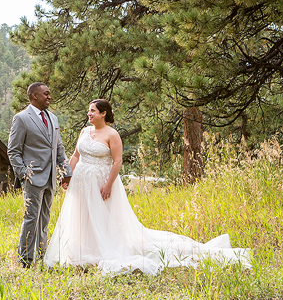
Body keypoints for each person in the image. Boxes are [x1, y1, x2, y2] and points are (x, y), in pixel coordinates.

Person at [43, 99, 251, 275]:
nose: (89, 114)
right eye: (89, 111)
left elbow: (117, 162)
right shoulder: (84, 132)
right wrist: (67, 176)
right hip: (80, 180)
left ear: (103, 113)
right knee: (81, 215)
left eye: (92, 111)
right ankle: (82, 249)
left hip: (101, 181)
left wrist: (108, 184)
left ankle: (103, 250)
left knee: (103, 216)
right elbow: (76, 156)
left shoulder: (112, 134)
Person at [8, 82, 73, 268]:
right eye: (46, 94)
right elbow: (13, 151)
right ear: (34, 96)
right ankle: (25, 261)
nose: (49, 97)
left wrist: (66, 171)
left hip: (51, 177)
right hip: (32, 178)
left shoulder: (53, 118)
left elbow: (58, 147)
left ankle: (42, 256)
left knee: (44, 219)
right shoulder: (21, 118)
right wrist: (24, 174)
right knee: (31, 219)